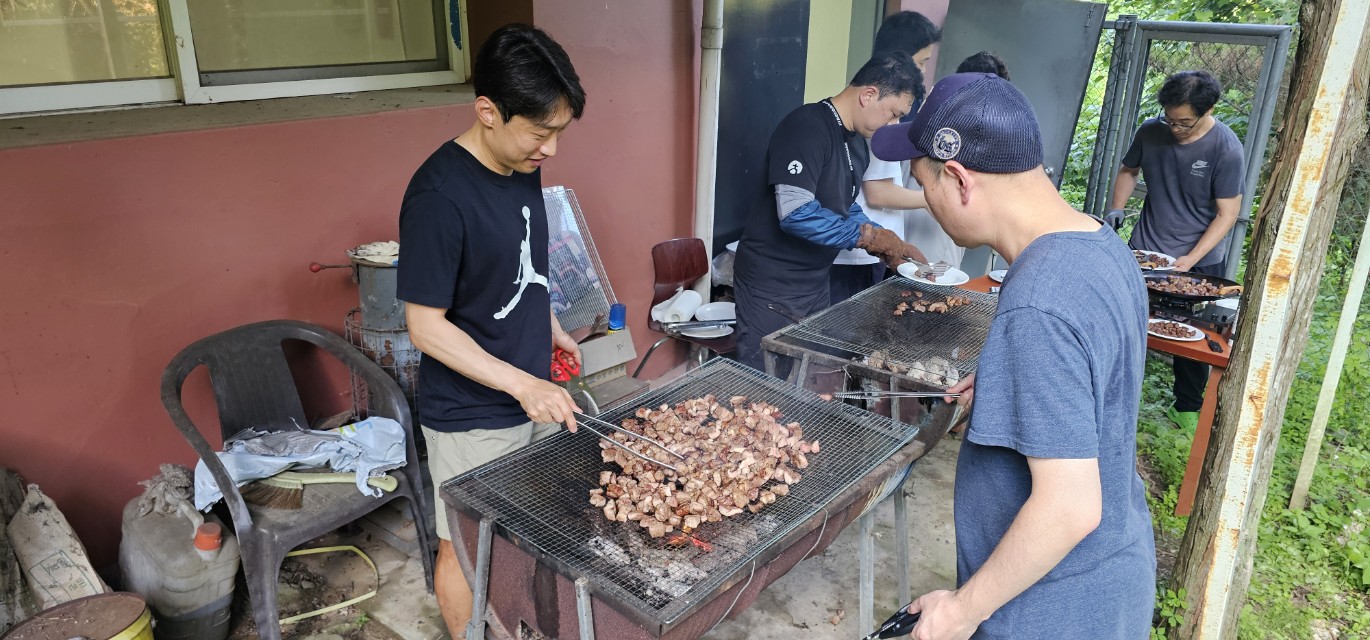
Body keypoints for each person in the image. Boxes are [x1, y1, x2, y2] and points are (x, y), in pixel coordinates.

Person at [872, 73, 1155, 638]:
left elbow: (1070, 507)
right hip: (1115, 577)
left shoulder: (1038, 303)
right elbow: (1095, 380)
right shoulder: (1100, 245)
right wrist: (1007, 382)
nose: (927, 201)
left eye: (923, 183)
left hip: (1048, 609)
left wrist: (962, 609)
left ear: (958, 179)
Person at [395, 24, 587, 639]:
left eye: (559, 132)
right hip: (473, 411)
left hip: (525, 387)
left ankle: (519, 622)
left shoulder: (518, 163)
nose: (550, 149)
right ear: (487, 112)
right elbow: (423, 326)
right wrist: (520, 385)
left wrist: (549, 325)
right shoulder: (438, 197)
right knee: (465, 547)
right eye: (540, 131)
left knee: (524, 529)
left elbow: (519, 264)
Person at [732, 53, 927, 368]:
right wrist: (866, 237)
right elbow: (795, 212)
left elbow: (844, 205)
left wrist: (891, 244)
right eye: (893, 113)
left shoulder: (857, 144)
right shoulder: (806, 127)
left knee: (808, 373)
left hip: (816, 280)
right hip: (772, 282)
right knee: (765, 380)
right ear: (868, 95)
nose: (894, 125)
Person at [1107, 70, 1244, 433]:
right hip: (1146, 246)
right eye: (1169, 119)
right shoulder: (1151, 131)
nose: (1174, 128)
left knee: (1196, 334)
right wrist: (1117, 207)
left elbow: (1228, 214)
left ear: (1208, 110)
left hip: (1199, 256)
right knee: (1124, 320)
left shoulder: (1225, 148)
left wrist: (1191, 260)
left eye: (1183, 122)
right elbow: (1128, 169)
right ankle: (1114, 394)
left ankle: (1186, 408)